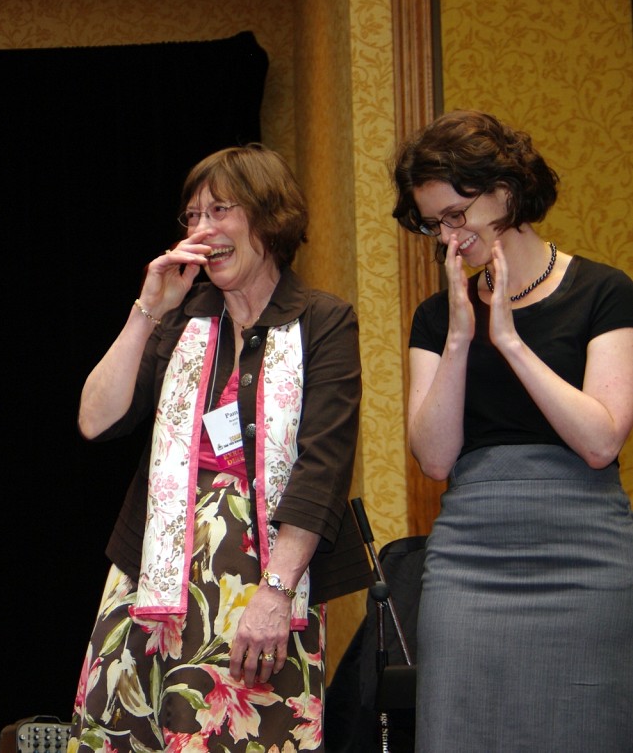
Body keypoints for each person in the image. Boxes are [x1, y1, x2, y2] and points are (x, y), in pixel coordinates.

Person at [70, 144, 368, 752]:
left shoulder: (323, 321)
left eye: (221, 210)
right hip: (150, 578)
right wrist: (148, 310)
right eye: (192, 216)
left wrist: (277, 592)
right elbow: (95, 421)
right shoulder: (182, 321)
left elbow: (323, 468)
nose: (202, 230)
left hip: (263, 583)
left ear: (269, 217)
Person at [391, 110, 633, 751]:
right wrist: (463, 336)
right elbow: (435, 458)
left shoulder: (605, 292)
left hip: (586, 559)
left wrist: (510, 340)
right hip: (471, 563)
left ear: (504, 190)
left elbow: (601, 440)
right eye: (432, 223)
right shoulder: (437, 317)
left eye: (455, 213)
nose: (447, 234)